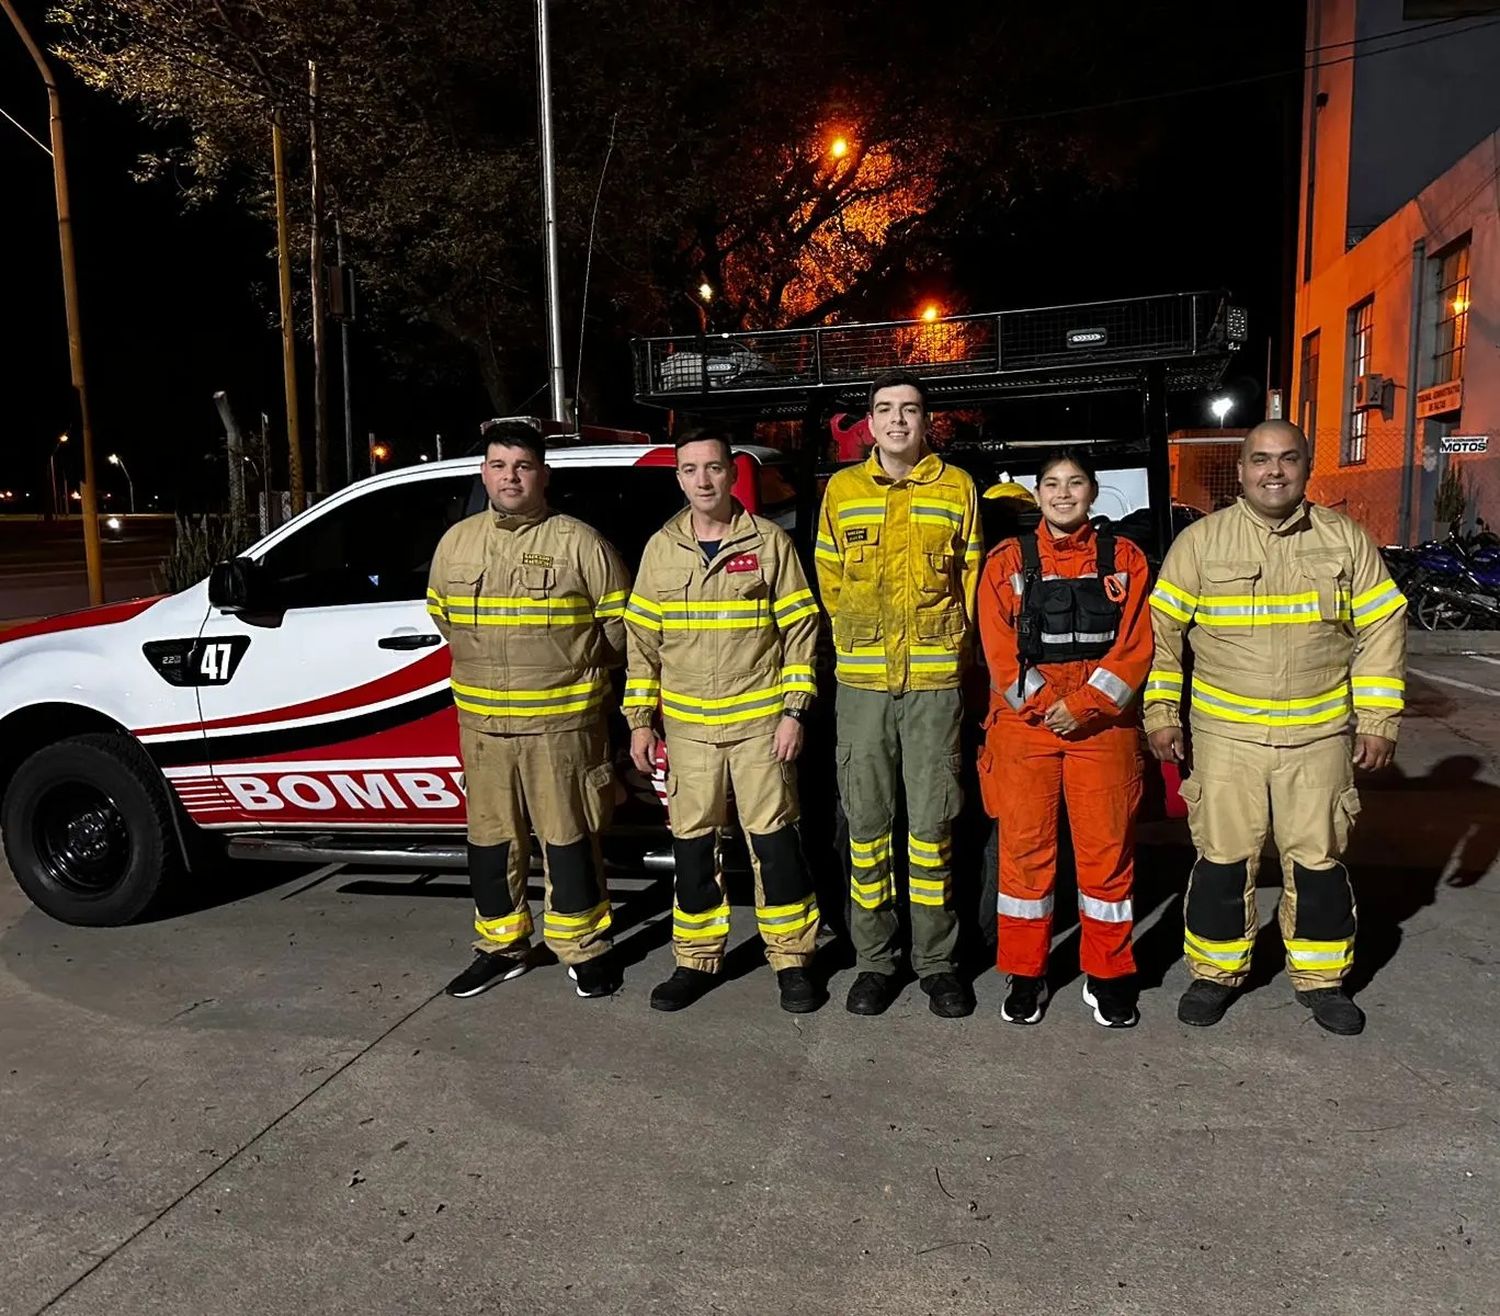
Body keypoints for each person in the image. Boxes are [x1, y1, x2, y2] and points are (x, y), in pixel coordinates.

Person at [1145, 419, 1407, 1035]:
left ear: (1306, 467)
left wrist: (1377, 720)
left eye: (1287, 459)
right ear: (1240, 470)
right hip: (1226, 739)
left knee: (1317, 864)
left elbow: (1382, 631)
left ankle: (1322, 983)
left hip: (1318, 739)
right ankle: (1214, 974)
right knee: (1222, 863)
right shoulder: (1201, 543)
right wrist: (1161, 713)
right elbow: (1161, 641)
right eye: (1260, 459)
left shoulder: (1345, 540)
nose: (1274, 471)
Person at [428, 419, 630, 1000]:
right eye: (498, 465)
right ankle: (502, 947)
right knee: (491, 844)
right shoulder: (457, 544)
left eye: (521, 466)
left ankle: (586, 949)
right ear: (484, 473)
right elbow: (443, 616)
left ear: (543, 474)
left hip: (561, 728)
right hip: (485, 730)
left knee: (569, 841)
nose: (509, 476)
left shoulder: (579, 543)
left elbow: (620, 632)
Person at [624, 428, 824, 1014]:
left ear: (732, 473)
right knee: (692, 847)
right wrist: (640, 720)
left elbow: (801, 634)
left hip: (762, 725)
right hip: (687, 732)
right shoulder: (661, 548)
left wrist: (794, 713)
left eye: (714, 468)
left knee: (775, 844)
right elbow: (643, 644)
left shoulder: (767, 544)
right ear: (679, 477)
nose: (703, 480)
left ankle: (792, 961)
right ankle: (695, 961)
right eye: (691, 470)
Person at [815, 370, 983, 1018]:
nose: (897, 421)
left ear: (926, 420)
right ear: (870, 421)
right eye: (885, 410)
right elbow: (830, 577)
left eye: (909, 409)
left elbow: (970, 578)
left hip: (934, 685)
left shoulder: (956, 488)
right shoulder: (844, 490)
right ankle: (875, 963)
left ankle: (938, 964)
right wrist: (857, 642)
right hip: (861, 687)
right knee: (867, 831)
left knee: (933, 829)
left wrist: (959, 663)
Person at [977, 450, 1153, 1027]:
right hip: (1026, 730)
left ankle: (1108, 974)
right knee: (1025, 856)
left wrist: (1084, 707)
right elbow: (999, 652)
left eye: (1075, 482)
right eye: (1051, 484)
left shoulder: (1124, 558)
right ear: (1037, 494)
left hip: (1103, 730)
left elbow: (1135, 648)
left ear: (1094, 492)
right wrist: (1048, 706)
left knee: (1107, 856)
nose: (1063, 493)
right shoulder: (1007, 560)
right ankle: (1025, 973)